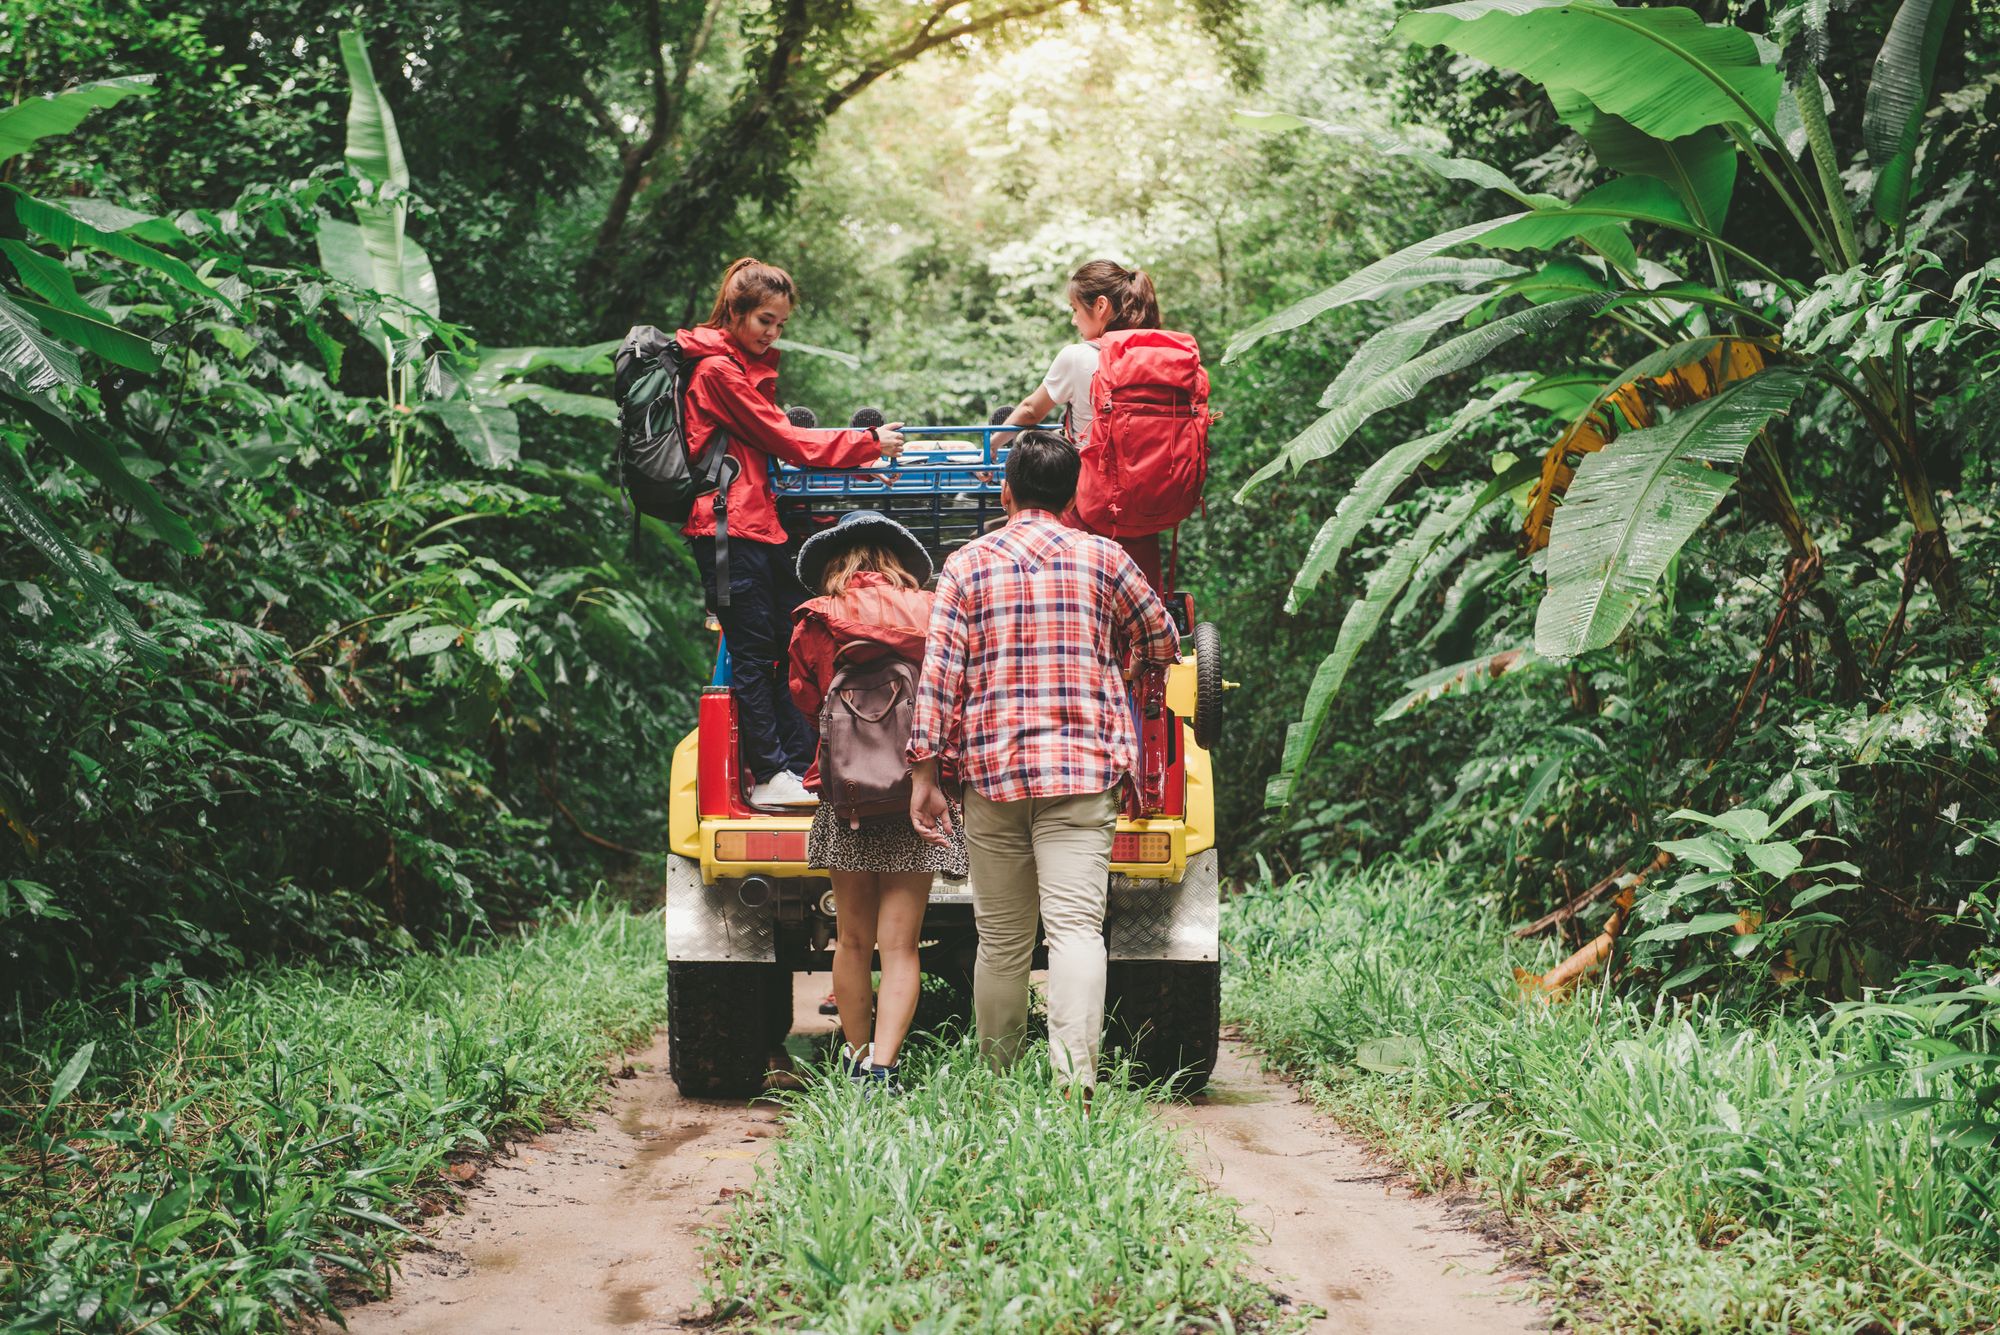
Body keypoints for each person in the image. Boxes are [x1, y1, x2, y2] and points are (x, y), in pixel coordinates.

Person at [906, 431, 1179, 1095]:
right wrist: (1125, 654)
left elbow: (940, 673)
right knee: (1077, 931)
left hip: (993, 776)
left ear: (1006, 492)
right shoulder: (1104, 558)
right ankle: (1075, 1081)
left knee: (1000, 938)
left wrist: (924, 773)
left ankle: (998, 1081)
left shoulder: (966, 564)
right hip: (1084, 772)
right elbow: (1164, 637)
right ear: (1075, 493)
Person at [678, 257, 906, 808]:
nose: (773, 333)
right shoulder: (717, 373)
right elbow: (786, 438)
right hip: (728, 530)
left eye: (780, 324)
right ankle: (768, 772)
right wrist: (868, 444)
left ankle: (796, 763)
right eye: (764, 321)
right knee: (754, 655)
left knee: (785, 641)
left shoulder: (733, 367)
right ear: (734, 312)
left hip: (755, 526)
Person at [790, 512, 968, 1090]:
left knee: (852, 939)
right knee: (900, 945)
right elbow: (952, 692)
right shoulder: (929, 610)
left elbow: (806, 698)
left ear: (837, 564)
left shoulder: (818, 619)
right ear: (897, 562)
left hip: (847, 799)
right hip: (915, 791)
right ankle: (885, 1068)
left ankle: (854, 1053)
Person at [993, 258, 1167, 587]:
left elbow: (1031, 410)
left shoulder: (1079, 356)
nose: (1074, 319)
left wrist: (991, 444)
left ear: (1100, 306)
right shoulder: (1156, 358)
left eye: (1075, 308)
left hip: (1093, 504)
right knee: (1141, 596)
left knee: (1080, 593)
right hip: (1148, 504)